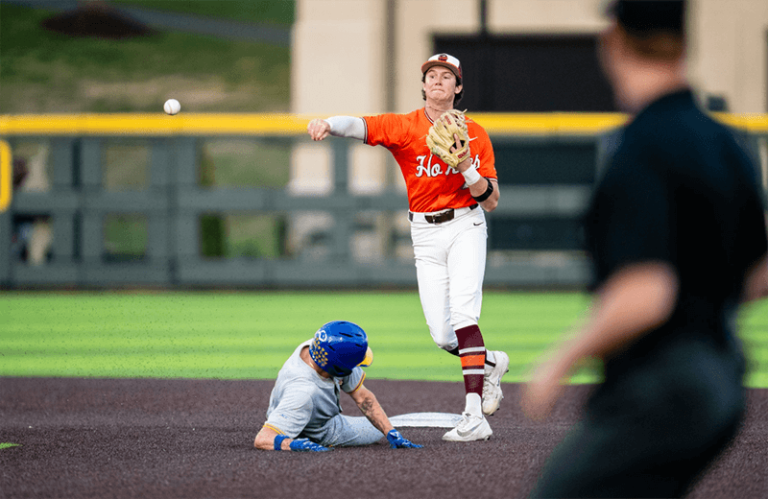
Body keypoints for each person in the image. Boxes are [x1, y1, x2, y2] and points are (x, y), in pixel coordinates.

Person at [522, 1, 768, 497]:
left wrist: (560, 362)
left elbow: (645, 294)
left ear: (613, 41)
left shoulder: (639, 148)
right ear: (684, 42)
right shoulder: (727, 141)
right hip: (723, 379)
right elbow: (759, 273)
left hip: (662, 387)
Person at [307, 53, 510, 442]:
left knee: (464, 315)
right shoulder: (405, 127)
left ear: (458, 87)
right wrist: (328, 124)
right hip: (424, 233)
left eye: (446, 76)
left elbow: (491, 200)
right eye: (431, 75)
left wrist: (466, 165)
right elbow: (360, 125)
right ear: (423, 85)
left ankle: (473, 416)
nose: (437, 80)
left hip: (465, 225)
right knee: (443, 335)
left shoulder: (475, 134)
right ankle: (490, 363)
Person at [253, 320, 422, 451]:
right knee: (373, 431)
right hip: (317, 428)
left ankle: (286, 423)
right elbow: (263, 439)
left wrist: (390, 431)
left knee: (382, 426)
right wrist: (294, 445)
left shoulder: (321, 347)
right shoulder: (304, 392)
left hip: (287, 410)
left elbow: (363, 397)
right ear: (338, 367)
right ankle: (298, 431)